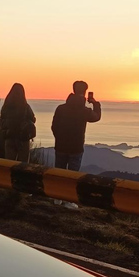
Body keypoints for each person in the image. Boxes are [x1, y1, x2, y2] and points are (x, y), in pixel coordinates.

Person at [51, 80, 101, 208]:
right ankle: (68, 200)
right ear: (84, 92)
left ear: (73, 90)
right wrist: (95, 103)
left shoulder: (61, 108)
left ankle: (57, 198)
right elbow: (96, 117)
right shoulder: (84, 111)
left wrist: (59, 138)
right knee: (73, 176)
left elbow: (54, 126)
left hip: (61, 146)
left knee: (59, 173)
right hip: (76, 148)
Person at [0, 83, 36, 162]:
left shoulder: (6, 106)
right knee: (23, 165)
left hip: (9, 137)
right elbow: (33, 119)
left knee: (9, 163)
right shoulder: (25, 106)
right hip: (22, 139)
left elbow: (2, 119)